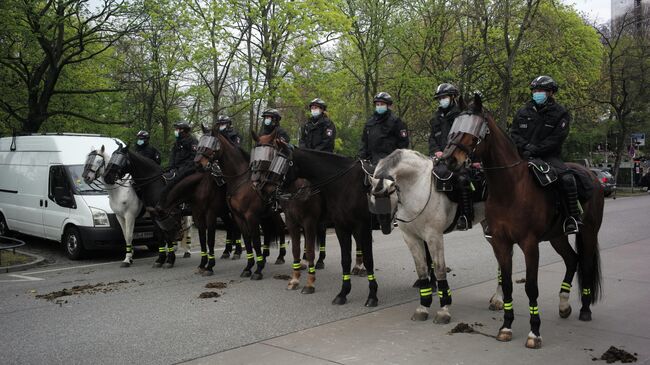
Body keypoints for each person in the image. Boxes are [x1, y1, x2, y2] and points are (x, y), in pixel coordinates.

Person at [510, 75, 580, 235]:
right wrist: (525, 147)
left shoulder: (560, 113)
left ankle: (572, 217)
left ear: (550, 93)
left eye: (540, 90)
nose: (537, 93)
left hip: (548, 156)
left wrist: (535, 149)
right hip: (523, 155)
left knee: (567, 178)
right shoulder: (523, 111)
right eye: (535, 90)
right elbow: (514, 133)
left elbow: (556, 138)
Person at [428, 83, 473, 230]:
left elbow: (465, 138)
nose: (442, 100)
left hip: (456, 156)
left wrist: (449, 152)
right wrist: (436, 151)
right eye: (440, 98)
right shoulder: (435, 118)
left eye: (444, 97)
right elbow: (432, 139)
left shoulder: (461, 116)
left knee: (461, 178)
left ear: (453, 97)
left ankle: (465, 215)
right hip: (439, 156)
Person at [299, 98, 337, 266]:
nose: (314, 109)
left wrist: (313, 155)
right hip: (307, 160)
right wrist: (304, 153)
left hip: (322, 160)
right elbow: (302, 142)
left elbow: (327, 143)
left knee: (329, 186)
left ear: (322, 109)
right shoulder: (306, 126)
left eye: (317, 107)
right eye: (312, 107)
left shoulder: (328, 125)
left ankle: (332, 209)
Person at [358, 92, 409, 165]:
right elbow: (364, 142)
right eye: (377, 105)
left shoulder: (396, 122)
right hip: (370, 161)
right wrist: (362, 158)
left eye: (382, 104)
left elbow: (403, 144)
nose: (379, 106)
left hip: (389, 163)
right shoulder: (370, 123)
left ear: (388, 106)